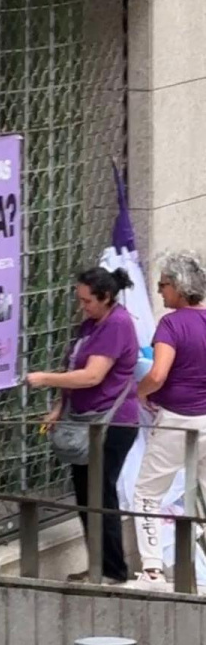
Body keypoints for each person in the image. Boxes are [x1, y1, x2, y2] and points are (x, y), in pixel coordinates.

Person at [27, 267, 139, 585]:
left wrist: (44, 378)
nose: (83, 306)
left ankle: (112, 570)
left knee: (101, 495)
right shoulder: (91, 324)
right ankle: (97, 566)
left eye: (87, 300)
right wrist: (59, 407)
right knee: (86, 495)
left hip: (111, 422)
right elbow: (74, 367)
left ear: (105, 298)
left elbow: (92, 375)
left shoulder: (117, 324)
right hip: (83, 419)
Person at [133, 251, 206, 587]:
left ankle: (152, 569)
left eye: (163, 285)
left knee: (147, 493)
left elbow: (159, 374)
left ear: (178, 286)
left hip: (177, 418)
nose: (160, 292)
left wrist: (141, 392)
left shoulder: (171, 324)